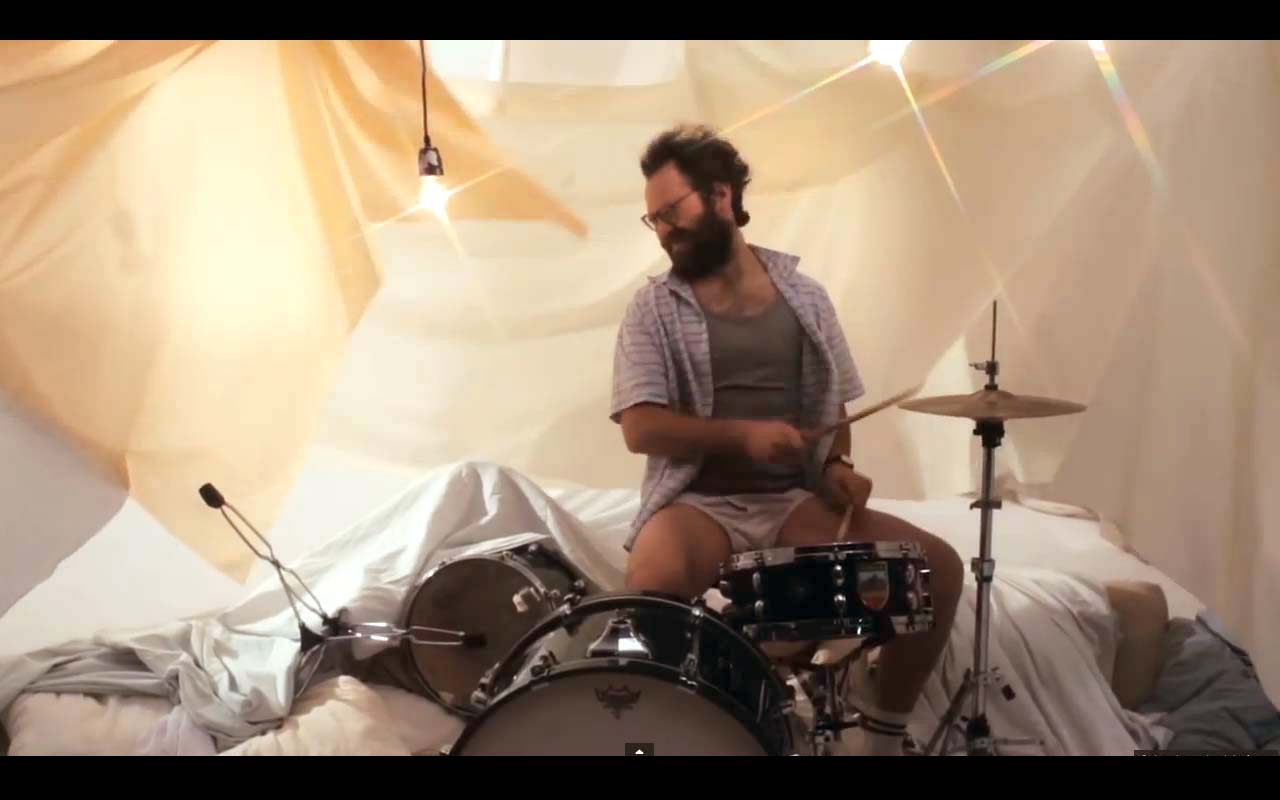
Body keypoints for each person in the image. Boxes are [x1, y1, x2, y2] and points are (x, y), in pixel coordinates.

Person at [609, 124, 963, 756]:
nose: (663, 231)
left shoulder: (805, 297)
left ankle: (883, 730)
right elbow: (641, 428)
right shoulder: (653, 308)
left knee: (937, 568)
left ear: (721, 197)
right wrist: (742, 436)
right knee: (651, 585)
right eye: (654, 219)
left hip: (791, 503)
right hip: (697, 504)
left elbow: (835, 406)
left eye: (672, 212)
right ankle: (668, 735)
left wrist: (838, 465)